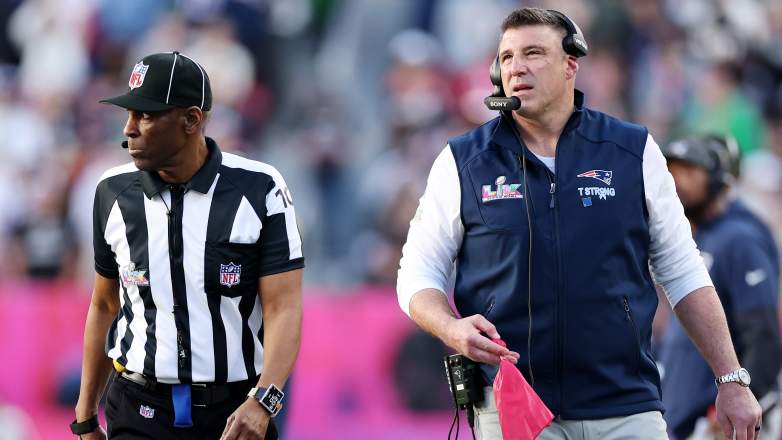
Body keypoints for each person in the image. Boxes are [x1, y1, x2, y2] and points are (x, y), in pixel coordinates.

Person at [396, 8, 762, 440]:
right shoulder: (463, 162)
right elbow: (418, 274)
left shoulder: (633, 150)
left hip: (627, 404)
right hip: (516, 404)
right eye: (508, 56)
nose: (517, 67)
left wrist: (731, 379)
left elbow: (683, 272)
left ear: (571, 63)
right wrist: (451, 327)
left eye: (533, 53)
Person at [71, 52, 304, 439]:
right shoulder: (112, 191)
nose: (129, 128)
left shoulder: (260, 187)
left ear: (191, 120)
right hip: (137, 404)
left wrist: (264, 401)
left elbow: (284, 307)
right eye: (129, 114)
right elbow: (105, 305)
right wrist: (84, 415)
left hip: (233, 410)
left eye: (145, 115)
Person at [659, 135, 782, 439]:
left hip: (719, 423)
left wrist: (740, 402)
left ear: (718, 178)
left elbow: (763, 333)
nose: (678, 180)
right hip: (687, 420)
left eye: (690, 170)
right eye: (673, 170)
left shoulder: (740, 238)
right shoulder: (696, 236)